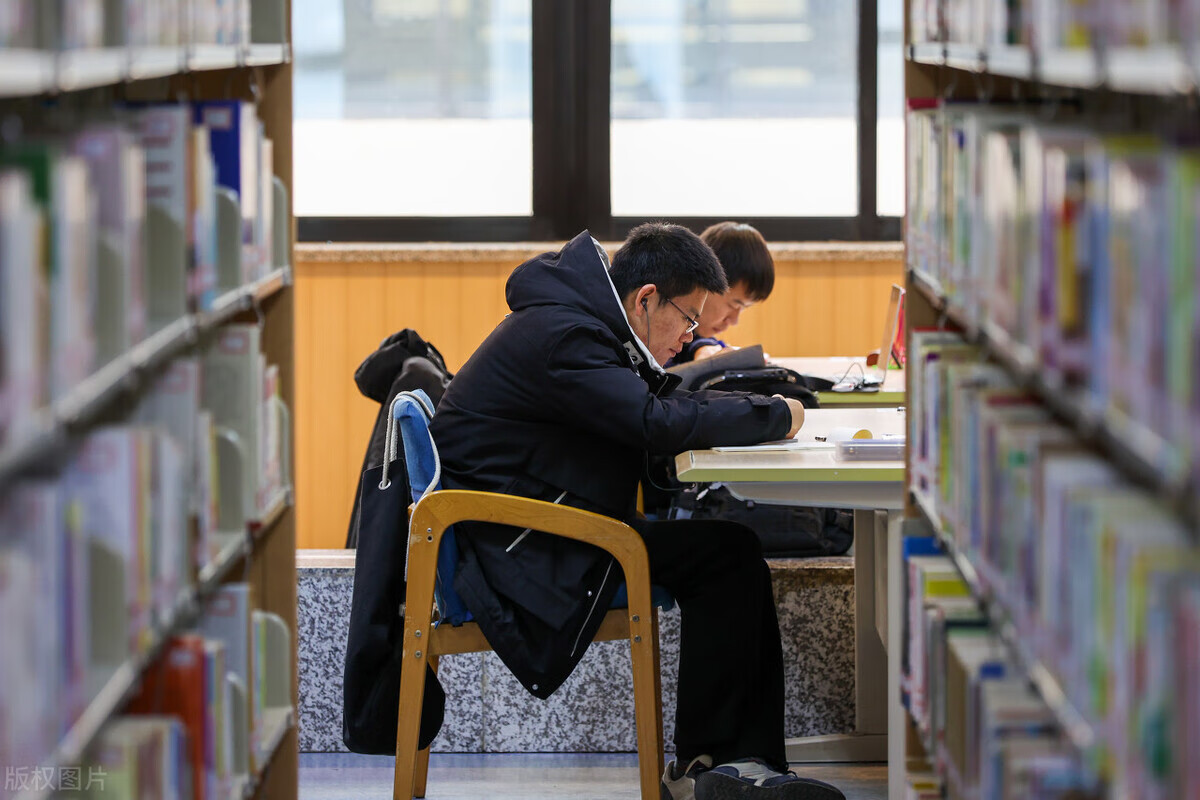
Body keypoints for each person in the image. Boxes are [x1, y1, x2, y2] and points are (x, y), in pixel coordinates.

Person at [429, 223, 846, 800]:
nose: (689, 336)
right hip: (522, 551)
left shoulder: (580, 324)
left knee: (727, 550)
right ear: (645, 298)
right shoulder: (566, 337)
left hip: (537, 528)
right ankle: (721, 765)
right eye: (689, 318)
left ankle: (733, 762)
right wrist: (775, 415)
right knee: (726, 556)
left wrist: (758, 405)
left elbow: (659, 403)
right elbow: (655, 422)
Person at [667, 221, 775, 365]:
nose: (734, 320)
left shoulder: (696, 337)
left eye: (742, 309)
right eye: (733, 305)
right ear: (704, 282)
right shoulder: (659, 331)